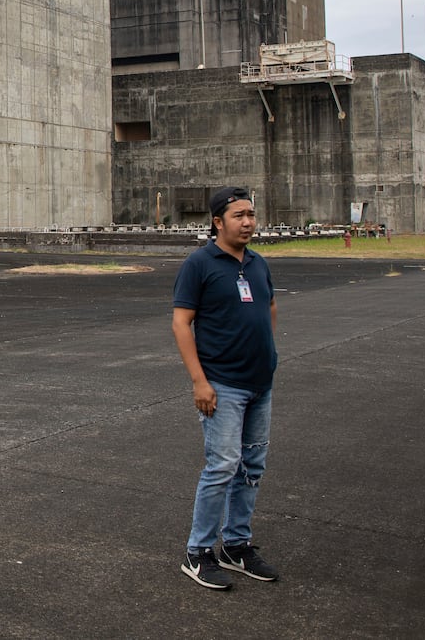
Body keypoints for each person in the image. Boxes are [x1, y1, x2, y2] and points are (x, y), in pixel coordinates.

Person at [172, 185, 281, 589]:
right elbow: (181, 323)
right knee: (221, 467)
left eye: (251, 214)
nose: (248, 222)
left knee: (252, 467)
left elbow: (269, 306)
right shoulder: (200, 264)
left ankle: (237, 545)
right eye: (239, 215)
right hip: (222, 385)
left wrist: (271, 353)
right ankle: (198, 553)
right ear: (218, 221)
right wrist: (200, 381)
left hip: (259, 384)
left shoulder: (257, 263)